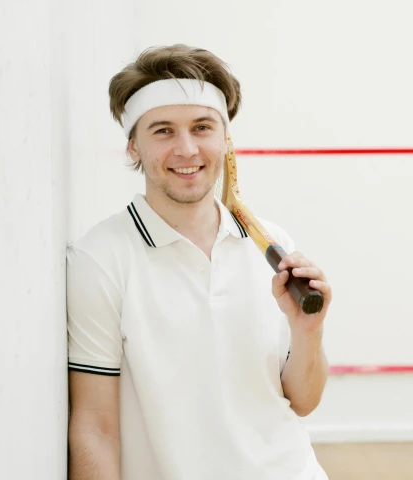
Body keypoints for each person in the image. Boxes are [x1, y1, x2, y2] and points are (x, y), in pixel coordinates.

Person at [66, 44, 333, 480]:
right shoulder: (100, 259)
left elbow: (303, 400)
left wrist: (309, 329)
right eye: (163, 131)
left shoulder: (273, 243)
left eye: (202, 127)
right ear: (133, 147)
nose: (187, 149)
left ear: (225, 139)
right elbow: (95, 427)